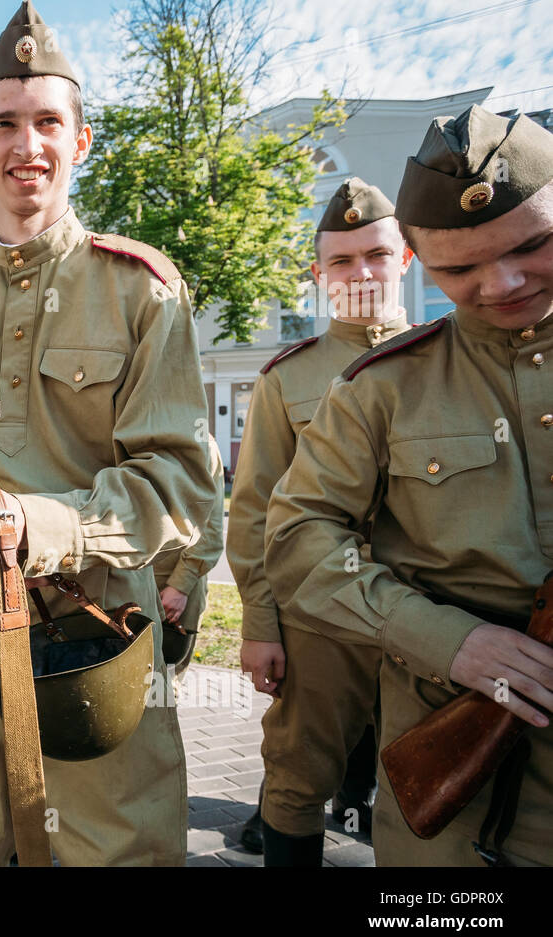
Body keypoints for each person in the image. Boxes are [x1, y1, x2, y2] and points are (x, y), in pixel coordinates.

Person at [0, 0, 219, 865]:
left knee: (117, 847)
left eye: (47, 123)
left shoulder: (142, 290)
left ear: (80, 143)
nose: (24, 144)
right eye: (3, 124)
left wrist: (40, 525)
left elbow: (180, 482)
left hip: (97, 634)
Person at [266, 105, 553, 866]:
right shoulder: (376, 386)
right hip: (433, 704)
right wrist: (445, 641)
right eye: (462, 269)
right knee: (305, 773)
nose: (504, 282)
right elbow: (284, 525)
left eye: (533, 246)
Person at [228, 178, 415, 863]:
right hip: (320, 623)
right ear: (318, 276)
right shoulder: (288, 378)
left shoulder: (450, 362)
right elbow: (255, 509)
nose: (360, 273)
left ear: (407, 257)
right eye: (341, 261)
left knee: (421, 786)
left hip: (434, 617)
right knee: (297, 780)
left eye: (375, 254)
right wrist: (260, 625)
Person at [152, 441, 225, 675]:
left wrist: (180, 585)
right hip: (118, 591)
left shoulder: (199, 443)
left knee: (164, 690)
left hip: (170, 591)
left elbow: (209, 529)